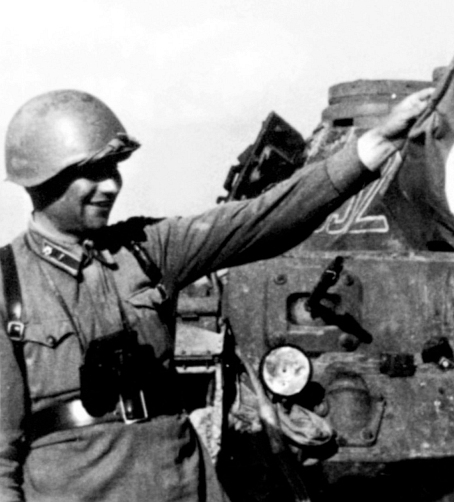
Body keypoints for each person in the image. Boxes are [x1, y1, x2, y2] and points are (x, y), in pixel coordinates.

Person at [0, 86, 432, 501]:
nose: (112, 185)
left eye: (113, 169)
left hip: (180, 485)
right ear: (42, 178)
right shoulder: (7, 286)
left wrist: (379, 142)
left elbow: (264, 218)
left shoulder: (148, 249)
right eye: (93, 172)